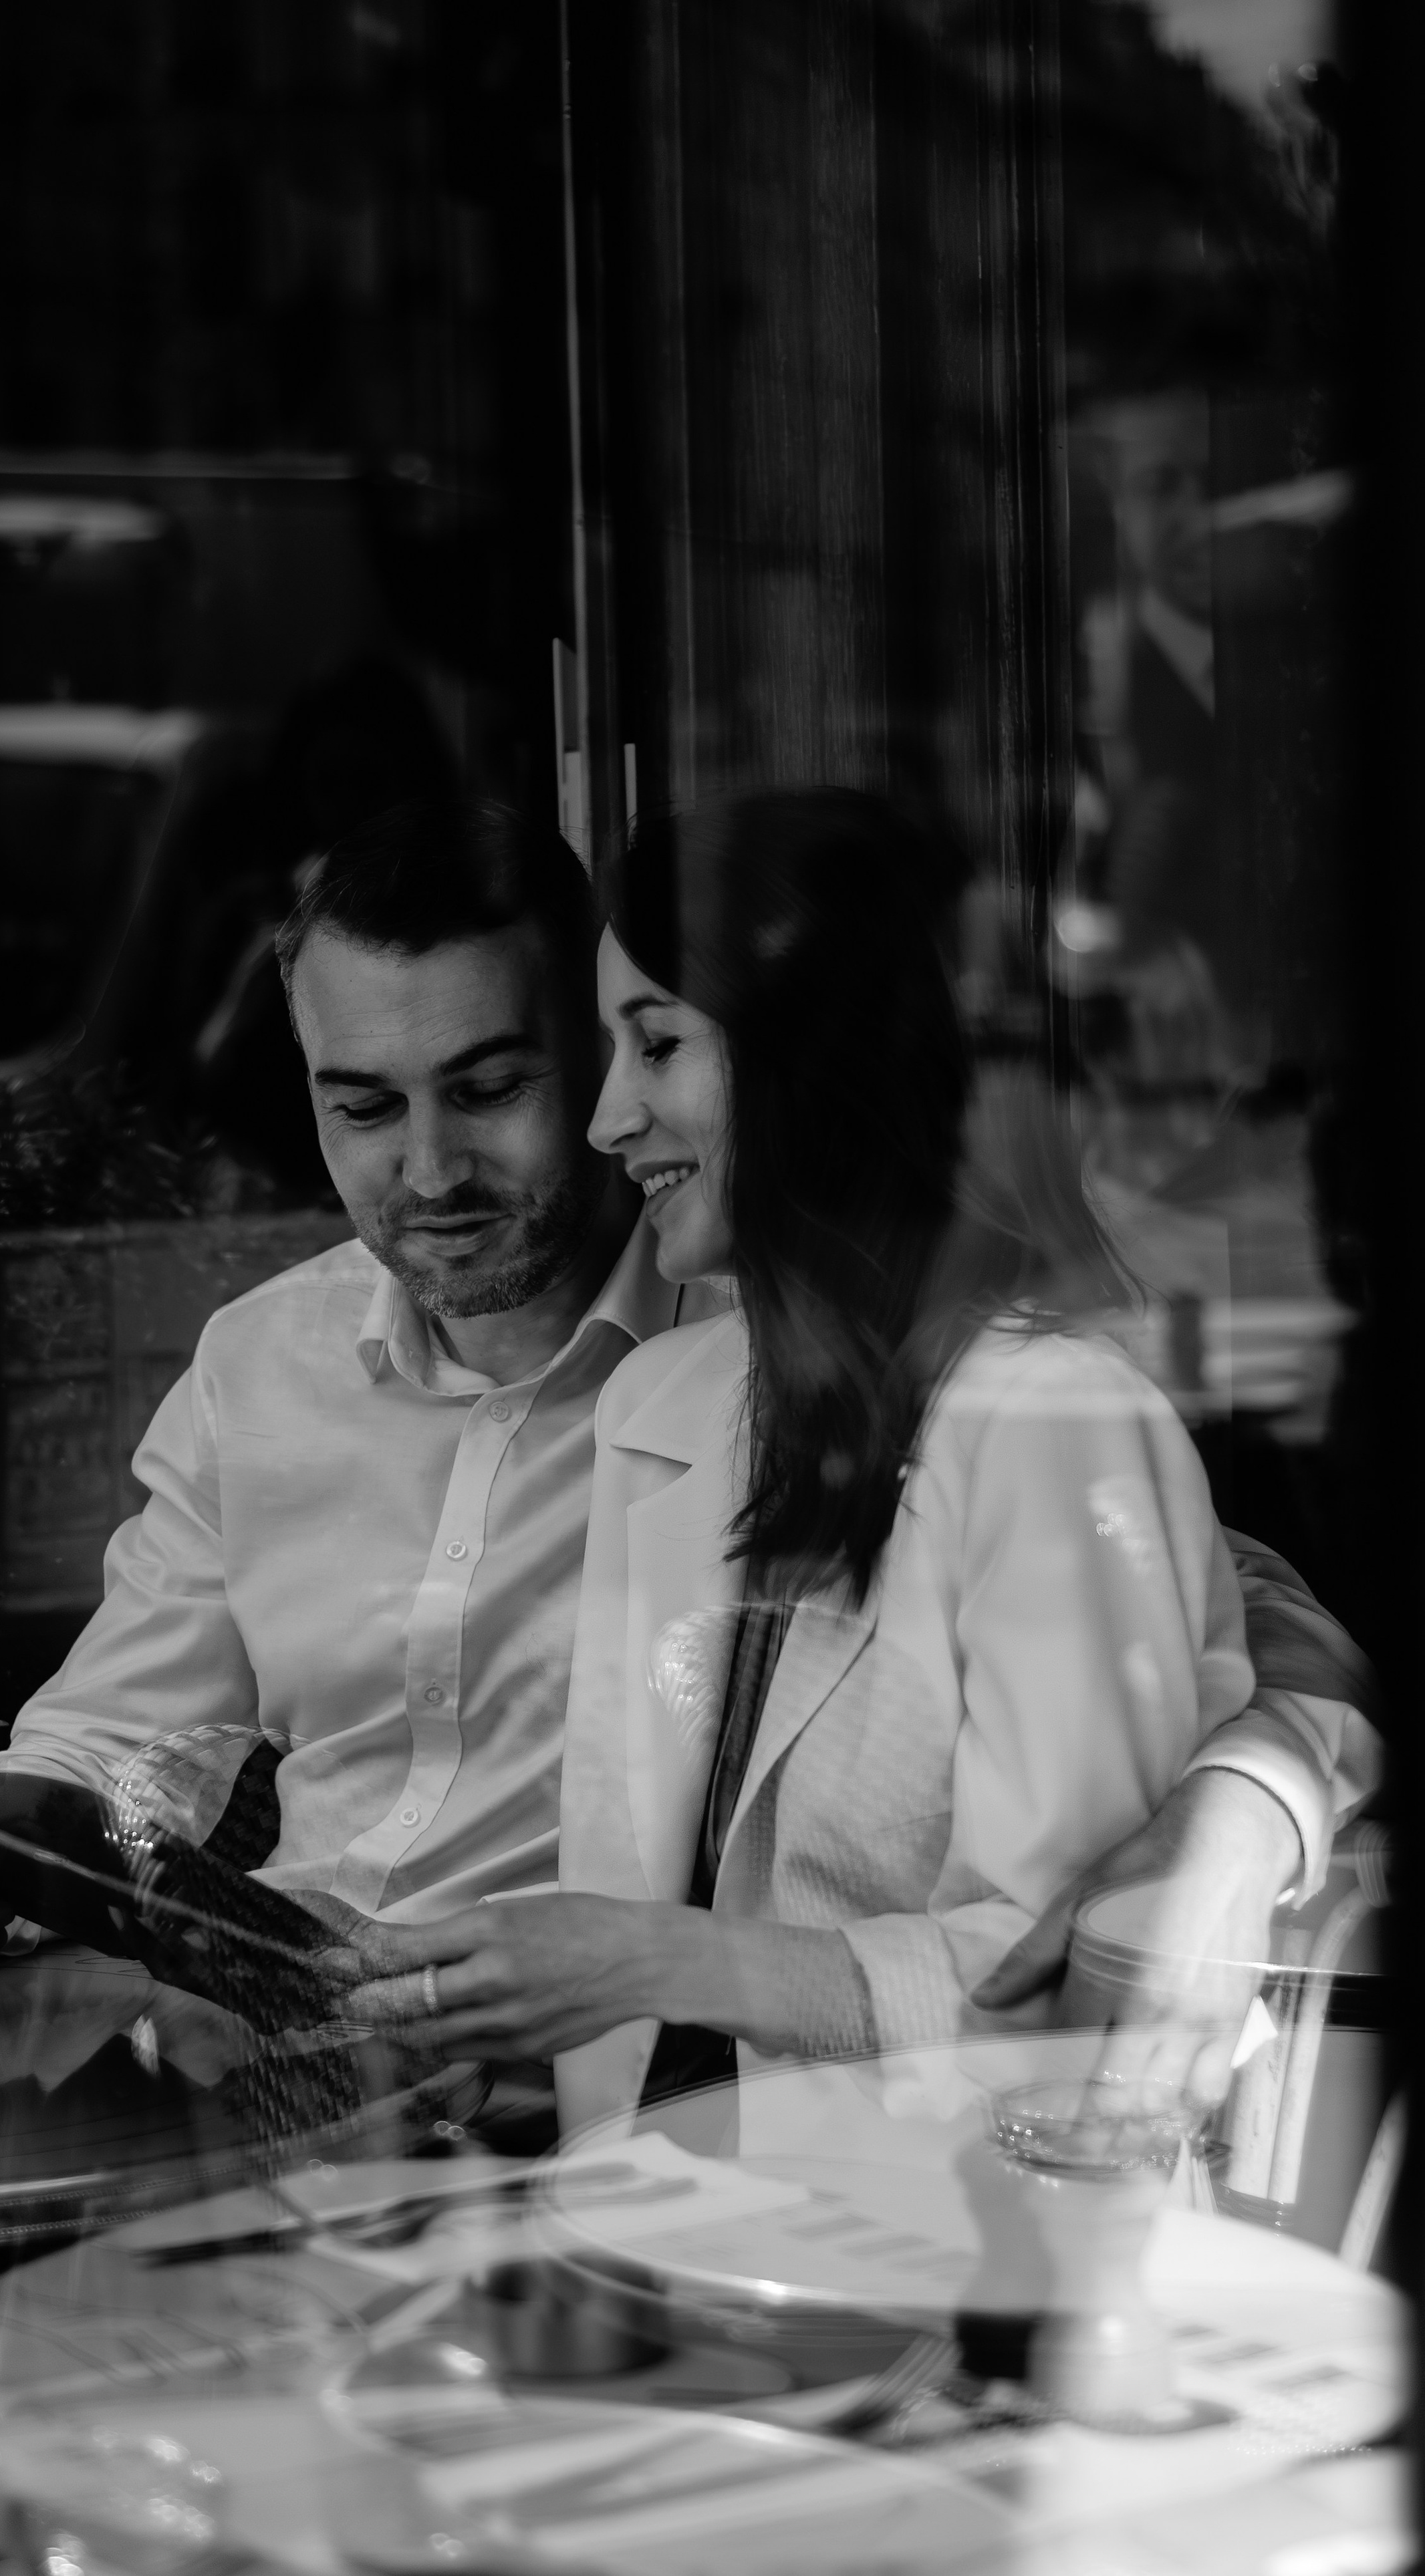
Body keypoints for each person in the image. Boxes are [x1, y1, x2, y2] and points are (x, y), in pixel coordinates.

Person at [0, 799, 1373, 2078]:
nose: (429, 1170)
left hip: (629, 2121)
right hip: (293, 2072)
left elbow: (1213, 1611)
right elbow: (109, 1746)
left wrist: (1247, 1812)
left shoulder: (783, 1345)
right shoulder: (270, 1362)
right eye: (362, 1108)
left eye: (493, 1086)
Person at [337, 795, 1376, 2128]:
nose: (607, 1118)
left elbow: (1059, 1994)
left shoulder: (1050, 1419)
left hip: (950, 2220)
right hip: (669, 2202)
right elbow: (683, 1916)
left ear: (811, 1056)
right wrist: (514, 2044)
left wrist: (647, 1965)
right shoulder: (663, 1405)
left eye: (658, 1043)